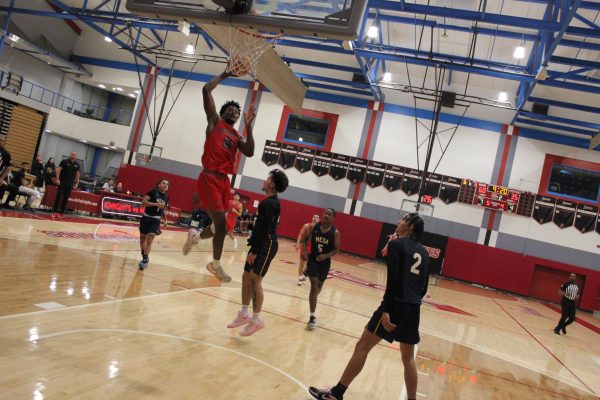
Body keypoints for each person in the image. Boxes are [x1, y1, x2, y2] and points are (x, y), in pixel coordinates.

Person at [309, 213, 429, 400]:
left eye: (404, 220)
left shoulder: (396, 244)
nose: (399, 222)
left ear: (411, 227)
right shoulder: (424, 251)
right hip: (413, 308)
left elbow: (393, 281)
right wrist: (411, 302)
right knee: (408, 359)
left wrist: (387, 310)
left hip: (395, 305)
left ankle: (336, 393)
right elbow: (424, 287)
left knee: (362, 346)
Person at [182, 64, 255, 283]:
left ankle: (195, 237)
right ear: (222, 113)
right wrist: (225, 74)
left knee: (217, 227)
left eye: (237, 111)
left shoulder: (238, 135)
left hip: (224, 181)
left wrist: (249, 127)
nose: (234, 111)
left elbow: (250, 152)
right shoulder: (215, 122)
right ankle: (215, 265)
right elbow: (206, 90)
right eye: (230, 109)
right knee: (222, 225)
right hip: (209, 177)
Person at [226, 169, 288, 336]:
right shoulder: (269, 202)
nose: (265, 180)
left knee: (255, 279)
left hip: (266, 244)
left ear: (272, 184)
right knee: (246, 276)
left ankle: (256, 320)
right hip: (261, 243)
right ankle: (244, 313)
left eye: (268, 178)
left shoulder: (270, 203)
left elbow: (263, 229)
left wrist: (254, 250)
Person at [301, 208, 340, 330]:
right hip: (313, 260)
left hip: (324, 263)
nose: (326, 215)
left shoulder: (335, 232)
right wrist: (304, 251)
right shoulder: (314, 227)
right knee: (314, 285)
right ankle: (312, 317)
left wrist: (326, 256)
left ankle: (313, 298)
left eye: (329, 214)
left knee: (318, 288)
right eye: (325, 213)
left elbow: (336, 250)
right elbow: (305, 239)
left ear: (333, 218)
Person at [138, 179, 169, 270]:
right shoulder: (152, 192)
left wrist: (165, 220)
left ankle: (144, 259)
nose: (165, 185)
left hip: (155, 220)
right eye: (163, 183)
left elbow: (162, 209)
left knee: (150, 239)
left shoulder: (166, 197)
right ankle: (143, 253)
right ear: (158, 184)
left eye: (167, 184)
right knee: (142, 238)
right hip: (146, 218)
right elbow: (143, 203)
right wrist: (156, 204)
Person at [52, 152, 80, 219]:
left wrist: (77, 182)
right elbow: (58, 170)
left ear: (76, 156)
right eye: (72, 154)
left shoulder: (77, 164)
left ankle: (62, 213)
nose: (73, 156)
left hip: (70, 184)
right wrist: (57, 179)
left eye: (75, 155)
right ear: (70, 155)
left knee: (66, 198)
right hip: (62, 182)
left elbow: (77, 173)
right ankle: (55, 212)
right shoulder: (64, 161)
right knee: (58, 197)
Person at [295, 214, 320, 285]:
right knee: (302, 263)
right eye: (314, 217)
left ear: (319, 220)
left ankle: (303, 276)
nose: (315, 218)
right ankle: (300, 277)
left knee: (309, 265)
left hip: (313, 248)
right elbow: (300, 234)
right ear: (312, 218)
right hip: (305, 246)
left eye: (317, 217)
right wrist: (297, 244)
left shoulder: (319, 228)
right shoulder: (306, 226)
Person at [0, 134, 19, 209]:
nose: (0, 142)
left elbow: (8, 167)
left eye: (2, 141)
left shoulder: (6, 153)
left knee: (4, 185)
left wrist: (2, 178)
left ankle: (5, 203)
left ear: (4, 142)